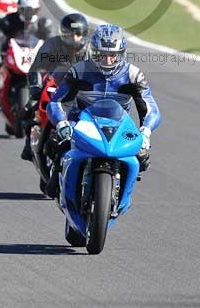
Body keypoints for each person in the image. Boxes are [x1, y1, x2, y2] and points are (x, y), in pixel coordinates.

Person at [45, 23, 161, 198]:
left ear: (121, 54)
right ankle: (57, 181)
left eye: (112, 55)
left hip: (119, 124)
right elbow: (56, 102)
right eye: (102, 55)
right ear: (94, 52)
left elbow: (151, 108)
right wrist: (62, 123)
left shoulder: (133, 75)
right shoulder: (79, 71)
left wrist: (145, 131)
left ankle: (121, 193)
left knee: (143, 157)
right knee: (57, 144)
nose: (107, 60)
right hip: (82, 122)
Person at [19, 12, 90, 161]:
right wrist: (35, 89)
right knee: (30, 107)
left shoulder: (90, 49)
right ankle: (29, 143)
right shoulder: (52, 44)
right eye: (72, 34)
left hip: (81, 89)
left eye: (79, 34)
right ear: (64, 34)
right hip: (54, 84)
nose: (76, 38)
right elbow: (36, 67)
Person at [0, 0, 53, 110]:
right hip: (12, 55)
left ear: (38, 10)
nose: (28, 14)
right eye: (25, 10)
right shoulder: (8, 21)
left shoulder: (44, 24)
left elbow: (53, 41)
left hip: (35, 58)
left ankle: (49, 101)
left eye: (31, 11)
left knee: (54, 75)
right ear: (19, 9)